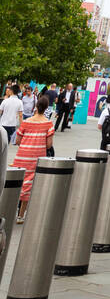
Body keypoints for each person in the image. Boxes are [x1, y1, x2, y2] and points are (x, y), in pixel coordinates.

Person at [13, 92, 54, 222]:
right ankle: (20, 215)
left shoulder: (26, 122)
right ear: (46, 108)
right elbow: (49, 145)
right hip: (36, 157)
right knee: (28, 185)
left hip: (22, 155)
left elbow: (18, 141)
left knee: (16, 182)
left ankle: (9, 209)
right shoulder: (48, 124)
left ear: (36, 106)